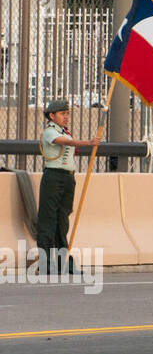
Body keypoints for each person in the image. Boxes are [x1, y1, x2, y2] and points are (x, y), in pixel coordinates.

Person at [35, 98, 100, 275]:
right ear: (52, 115)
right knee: (48, 220)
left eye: (67, 114)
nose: (66, 117)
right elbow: (65, 143)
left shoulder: (65, 132)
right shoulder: (50, 132)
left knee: (62, 220)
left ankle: (63, 261)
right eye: (63, 114)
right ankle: (45, 262)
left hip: (67, 179)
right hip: (53, 177)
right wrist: (88, 143)